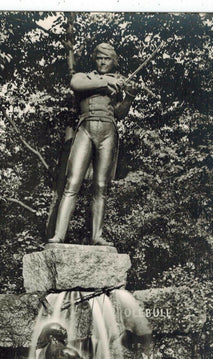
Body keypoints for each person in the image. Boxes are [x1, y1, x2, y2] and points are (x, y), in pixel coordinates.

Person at [48, 43, 138, 246]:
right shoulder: (85, 77)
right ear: (95, 60)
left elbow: (119, 113)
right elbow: (75, 84)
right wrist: (106, 83)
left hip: (108, 132)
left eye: (107, 59)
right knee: (72, 183)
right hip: (85, 129)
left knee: (101, 186)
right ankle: (58, 235)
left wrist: (130, 96)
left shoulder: (118, 83)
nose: (103, 62)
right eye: (100, 58)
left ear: (113, 61)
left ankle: (97, 236)